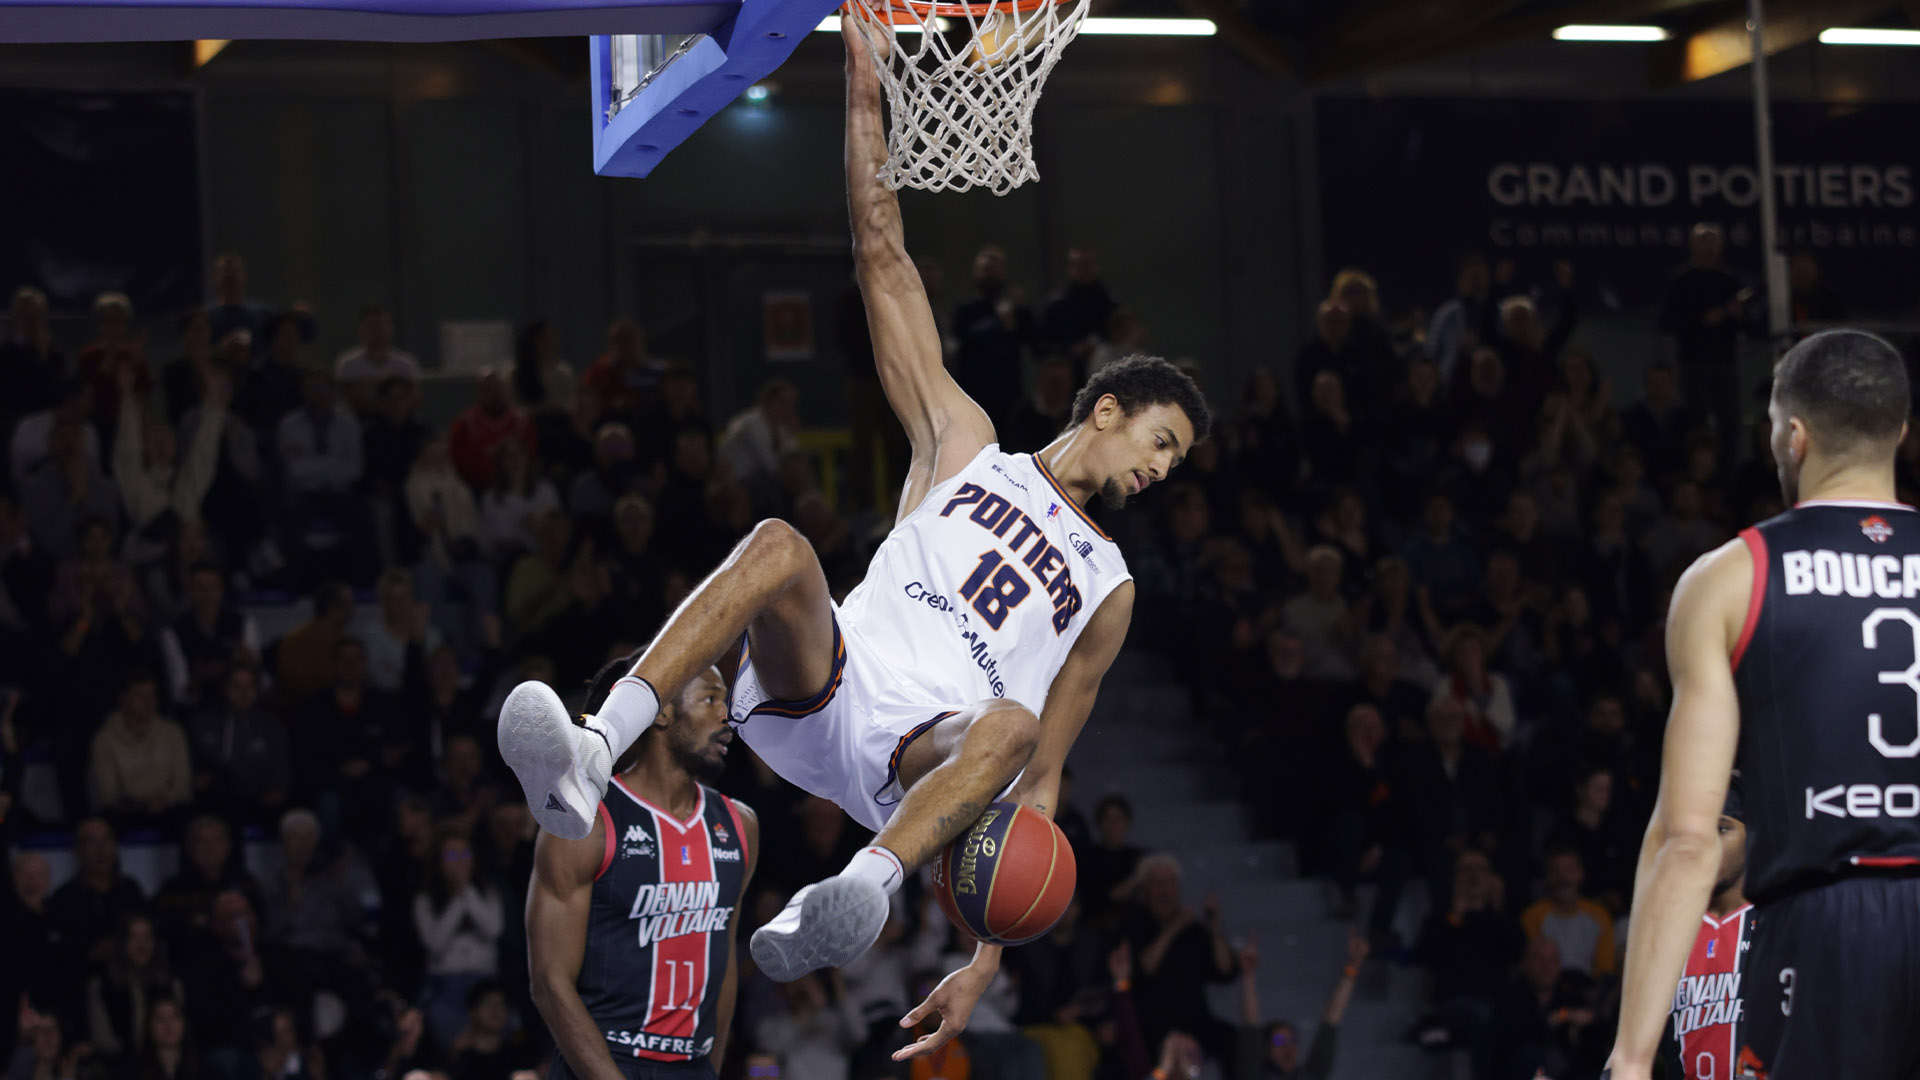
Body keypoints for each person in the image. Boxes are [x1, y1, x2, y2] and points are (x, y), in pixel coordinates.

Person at [498, 19, 1210, 1064]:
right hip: (823, 682)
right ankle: (591, 751)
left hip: (918, 761)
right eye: (1162, 439)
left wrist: (982, 960)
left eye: (1177, 461)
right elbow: (881, 245)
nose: (1162, 468)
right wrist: (861, 66)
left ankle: (860, 893)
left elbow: (1046, 777)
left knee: (1013, 730)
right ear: (1106, 409)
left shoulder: (1110, 587)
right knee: (784, 544)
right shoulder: (966, 442)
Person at [1604, 330, 1920, 1080]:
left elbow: (1687, 841)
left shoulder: (1729, 578)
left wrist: (1632, 1058)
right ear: (1900, 431)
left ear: (1794, 435)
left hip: (1828, 928)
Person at [526, 659, 757, 1078]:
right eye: (710, 698)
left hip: (693, 1065)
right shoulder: (587, 821)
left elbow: (722, 968)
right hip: (602, 1065)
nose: (728, 715)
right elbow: (549, 981)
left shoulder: (740, 825)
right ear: (662, 712)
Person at [1661, 779, 1752, 1080]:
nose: (1707, 844)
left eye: (1723, 829)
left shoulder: (1778, 922)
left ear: (1752, 835)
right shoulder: (1667, 932)